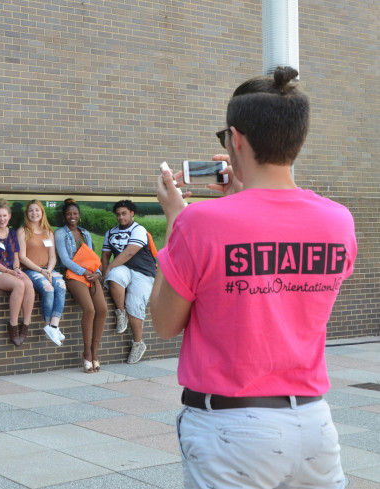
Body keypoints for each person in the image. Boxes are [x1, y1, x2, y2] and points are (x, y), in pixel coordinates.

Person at [151, 66, 355, 489]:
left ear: (235, 139)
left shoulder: (201, 221)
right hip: (314, 425)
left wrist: (175, 219)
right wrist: (241, 198)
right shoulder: (339, 221)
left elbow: (165, 323)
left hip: (232, 430)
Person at [55, 199, 107, 372]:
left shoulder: (85, 233)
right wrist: (84, 272)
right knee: (90, 309)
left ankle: (95, 352)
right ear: (64, 216)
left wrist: (97, 273)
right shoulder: (60, 234)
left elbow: (92, 256)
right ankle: (86, 353)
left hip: (90, 276)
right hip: (73, 276)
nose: (72, 217)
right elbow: (65, 260)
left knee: (103, 309)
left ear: (79, 215)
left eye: (75, 214)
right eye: (69, 214)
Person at [100, 199, 154, 363]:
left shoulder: (139, 230)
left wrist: (109, 268)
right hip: (123, 269)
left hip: (143, 271)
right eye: (118, 214)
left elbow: (130, 252)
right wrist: (105, 271)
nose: (121, 217)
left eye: (124, 213)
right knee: (114, 276)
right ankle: (120, 312)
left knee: (135, 306)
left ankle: (138, 344)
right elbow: (105, 256)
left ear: (132, 213)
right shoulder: (110, 232)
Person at [0, 198, 34, 346]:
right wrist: (10, 272)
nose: (2, 219)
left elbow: (16, 257)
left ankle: (25, 325)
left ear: (9, 216)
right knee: (19, 285)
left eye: (4, 216)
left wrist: (17, 269)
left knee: (28, 284)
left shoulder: (12, 233)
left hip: (11, 271)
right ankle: (13, 326)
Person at [17, 199, 67, 346]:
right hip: (31, 270)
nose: (34, 213)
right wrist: (41, 271)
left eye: (37, 210)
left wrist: (49, 271)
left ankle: (54, 326)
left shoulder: (48, 232)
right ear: (27, 213)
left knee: (61, 286)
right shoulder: (23, 231)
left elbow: (52, 256)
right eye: (31, 210)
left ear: (42, 212)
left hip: (48, 269)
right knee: (48, 288)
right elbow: (22, 257)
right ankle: (47, 324)